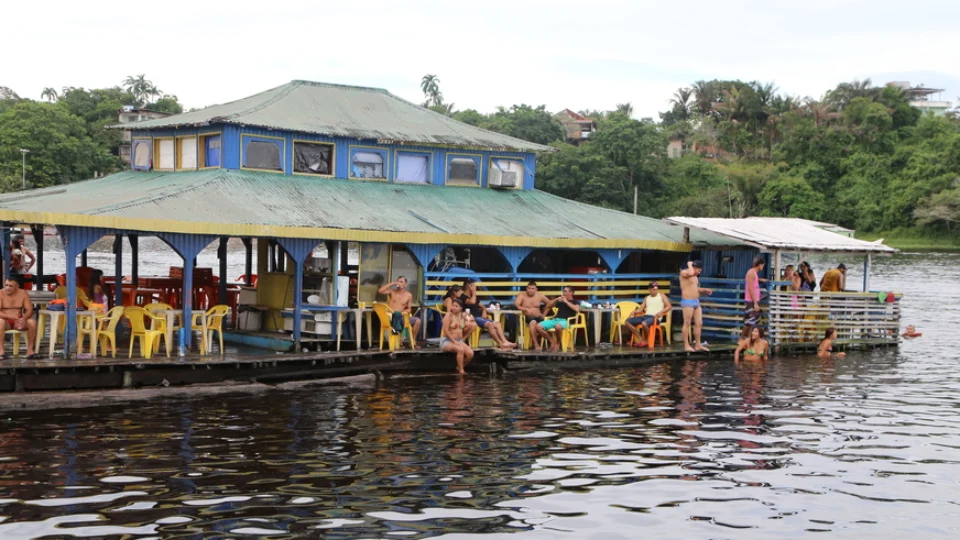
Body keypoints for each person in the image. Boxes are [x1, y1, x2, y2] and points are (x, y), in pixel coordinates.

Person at [461, 278, 515, 350]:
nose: (476, 288)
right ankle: (500, 344)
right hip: (472, 318)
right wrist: (474, 292)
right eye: (474, 286)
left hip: (479, 317)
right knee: (490, 325)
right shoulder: (463, 297)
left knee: (497, 324)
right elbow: (472, 302)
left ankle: (505, 342)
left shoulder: (473, 297)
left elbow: (483, 306)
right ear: (469, 286)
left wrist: (484, 311)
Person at [0, 278, 39, 359]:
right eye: (6, 285)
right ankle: (1, 351)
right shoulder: (1, 293)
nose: (7, 288)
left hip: (19, 320)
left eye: (11, 286)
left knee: (32, 322)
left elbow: (29, 310)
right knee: (0, 322)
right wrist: (11, 317)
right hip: (5, 320)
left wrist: (24, 318)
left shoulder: (23, 293)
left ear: (17, 287)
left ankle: (30, 351)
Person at [377, 276, 421, 348]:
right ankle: (398, 340)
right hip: (390, 317)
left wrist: (404, 312)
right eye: (398, 281)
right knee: (396, 315)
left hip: (401, 317)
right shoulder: (392, 291)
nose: (399, 283)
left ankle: (413, 342)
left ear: (405, 284)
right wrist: (392, 283)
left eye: (401, 282)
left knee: (418, 321)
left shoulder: (408, 295)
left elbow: (409, 308)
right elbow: (380, 291)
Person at [624, 281, 672, 347]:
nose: (655, 291)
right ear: (649, 289)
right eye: (653, 289)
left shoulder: (662, 296)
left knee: (644, 323)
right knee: (627, 322)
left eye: (656, 289)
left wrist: (661, 311)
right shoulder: (647, 298)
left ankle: (647, 339)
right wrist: (634, 311)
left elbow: (669, 306)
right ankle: (641, 339)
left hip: (655, 318)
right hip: (645, 316)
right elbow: (641, 309)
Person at [679, 260, 712, 352]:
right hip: (687, 301)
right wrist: (689, 264)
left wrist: (703, 290)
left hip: (696, 301)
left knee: (699, 323)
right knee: (687, 323)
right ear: (694, 267)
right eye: (698, 270)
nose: (699, 272)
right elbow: (690, 272)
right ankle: (686, 345)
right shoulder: (684, 272)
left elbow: (694, 288)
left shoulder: (695, 277)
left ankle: (698, 344)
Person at [535, 286, 580, 352]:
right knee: (538, 326)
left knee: (558, 326)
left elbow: (576, 309)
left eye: (565, 291)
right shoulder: (560, 301)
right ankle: (552, 342)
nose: (564, 293)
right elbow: (548, 306)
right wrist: (556, 299)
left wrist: (566, 301)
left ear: (571, 293)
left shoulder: (575, 301)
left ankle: (558, 343)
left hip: (566, 321)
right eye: (563, 291)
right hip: (555, 319)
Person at [440, 300, 473, 374]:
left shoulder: (462, 315)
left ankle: (459, 367)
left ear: (460, 308)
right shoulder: (449, 315)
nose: (454, 308)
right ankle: (461, 371)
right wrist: (454, 341)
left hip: (459, 340)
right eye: (453, 306)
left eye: (456, 306)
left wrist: (468, 319)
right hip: (447, 340)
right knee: (460, 349)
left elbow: (468, 323)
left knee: (470, 353)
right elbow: (445, 330)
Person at [514, 281, 549, 349]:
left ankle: (552, 343)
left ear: (536, 289)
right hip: (527, 317)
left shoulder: (540, 295)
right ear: (526, 288)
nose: (530, 290)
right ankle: (536, 344)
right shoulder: (522, 295)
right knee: (533, 323)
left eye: (532, 288)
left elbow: (550, 304)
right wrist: (525, 309)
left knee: (546, 324)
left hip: (539, 317)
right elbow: (516, 305)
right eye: (529, 288)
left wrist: (544, 314)